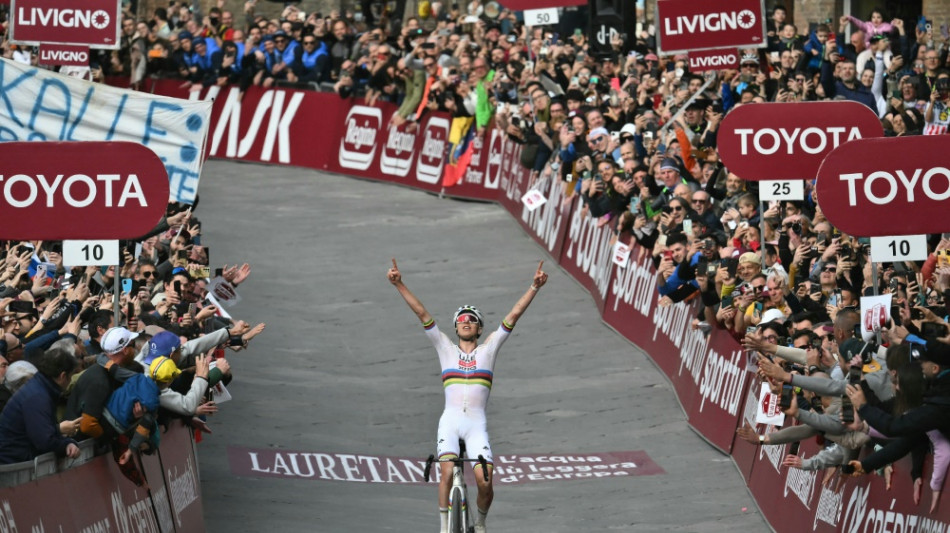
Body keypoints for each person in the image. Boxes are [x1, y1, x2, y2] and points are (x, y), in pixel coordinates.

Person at [387, 258, 548, 533]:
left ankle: (481, 522)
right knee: (447, 472)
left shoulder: (489, 349)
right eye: (461, 319)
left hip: (476, 426)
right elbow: (422, 313)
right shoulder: (445, 348)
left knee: (486, 482)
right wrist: (399, 284)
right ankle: (442, 527)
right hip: (450, 422)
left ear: (480, 328)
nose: (465, 321)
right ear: (455, 327)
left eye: (472, 319)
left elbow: (513, 316)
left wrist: (534, 287)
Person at [0, 348, 81, 464]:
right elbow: (44, 440)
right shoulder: (38, 396)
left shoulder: (40, 387)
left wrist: (67, 442)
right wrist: (66, 445)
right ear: (63, 376)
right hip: (14, 463)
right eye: (71, 375)